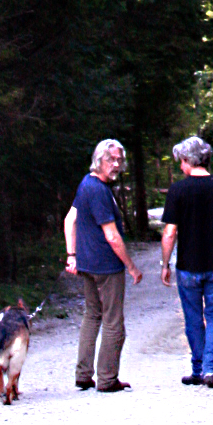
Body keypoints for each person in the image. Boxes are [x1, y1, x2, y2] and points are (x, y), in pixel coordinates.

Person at [160, 135, 213, 388]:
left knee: (193, 318)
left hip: (188, 266)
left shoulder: (178, 190)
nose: (180, 167)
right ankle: (210, 370)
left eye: (180, 162)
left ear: (187, 160)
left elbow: (170, 232)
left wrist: (165, 264)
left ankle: (198, 369)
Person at [63, 138, 142, 392]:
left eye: (119, 159)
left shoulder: (86, 184)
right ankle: (107, 379)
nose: (116, 164)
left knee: (92, 315)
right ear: (99, 160)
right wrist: (131, 266)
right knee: (113, 322)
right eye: (111, 159)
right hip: (106, 267)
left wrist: (72, 255)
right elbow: (112, 236)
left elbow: (69, 219)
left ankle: (83, 374)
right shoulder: (98, 190)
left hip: (87, 264)